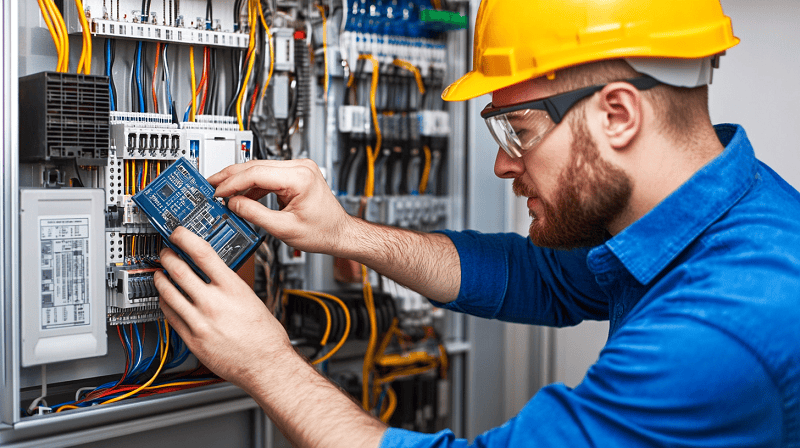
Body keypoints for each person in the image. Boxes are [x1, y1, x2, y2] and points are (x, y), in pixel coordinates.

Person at [154, 0, 800, 446]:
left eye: (518, 132)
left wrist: (266, 363)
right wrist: (344, 233)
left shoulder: (720, 331)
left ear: (618, 117)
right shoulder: (724, 213)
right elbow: (542, 278)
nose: (500, 163)